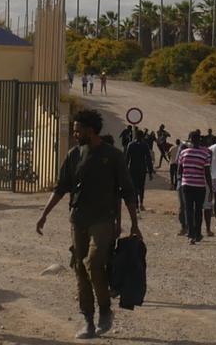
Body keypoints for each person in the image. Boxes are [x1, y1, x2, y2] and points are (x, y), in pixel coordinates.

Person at [37, 109, 140, 339]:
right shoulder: (74, 155)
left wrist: (134, 224)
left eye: (77, 129)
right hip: (78, 220)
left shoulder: (113, 156)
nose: (74, 133)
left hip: (103, 220)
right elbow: (61, 188)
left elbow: (128, 191)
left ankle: (105, 310)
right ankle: (88, 320)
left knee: (93, 263)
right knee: (80, 268)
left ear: (90, 130)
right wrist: (44, 214)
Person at [178, 130, 213, 244]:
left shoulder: (183, 153)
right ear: (200, 140)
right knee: (198, 210)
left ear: (190, 140)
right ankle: (198, 234)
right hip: (200, 186)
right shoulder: (205, 154)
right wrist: (211, 188)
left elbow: (179, 171)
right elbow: (207, 173)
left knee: (188, 209)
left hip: (186, 185)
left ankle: (190, 234)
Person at [125, 129, 155, 212]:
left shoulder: (130, 145)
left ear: (135, 135)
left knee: (134, 187)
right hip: (142, 169)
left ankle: (136, 205)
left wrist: (125, 171)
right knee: (141, 187)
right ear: (142, 137)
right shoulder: (145, 145)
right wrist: (150, 172)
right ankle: (141, 203)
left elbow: (127, 159)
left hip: (132, 169)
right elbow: (148, 159)